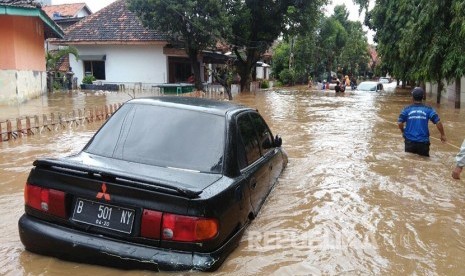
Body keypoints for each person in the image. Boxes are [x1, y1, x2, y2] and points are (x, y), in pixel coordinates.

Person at [397, 87, 446, 156]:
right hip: (423, 142)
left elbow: (400, 122)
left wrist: (403, 131)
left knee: (409, 163)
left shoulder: (406, 109)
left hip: (409, 142)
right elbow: (438, 122)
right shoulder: (429, 109)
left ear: (412, 97)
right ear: (423, 96)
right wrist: (442, 135)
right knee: (424, 162)